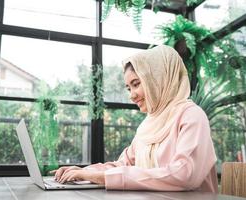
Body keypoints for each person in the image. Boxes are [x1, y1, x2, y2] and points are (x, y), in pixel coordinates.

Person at [51, 45, 218, 192]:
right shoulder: (148, 125)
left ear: (158, 79)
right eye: (128, 88)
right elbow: (123, 165)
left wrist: (103, 177)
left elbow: (184, 174)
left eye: (136, 84)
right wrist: (85, 172)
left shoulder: (191, 115)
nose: (132, 95)